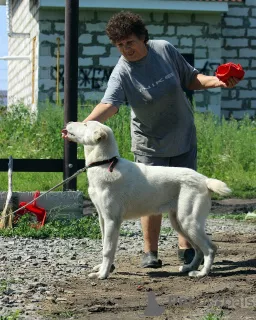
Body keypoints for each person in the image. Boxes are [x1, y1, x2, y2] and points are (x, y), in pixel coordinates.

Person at [82, 11, 241, 268]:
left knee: (182, 193)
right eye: (120, 45)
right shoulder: (122, 72)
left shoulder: (164, 50)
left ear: (143, 38)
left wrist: (219, 82)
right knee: (150, 194)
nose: (126, 49)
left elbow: (191, 79)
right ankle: (150, 252)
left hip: (182, 135)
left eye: (130, 42)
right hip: (149, 141)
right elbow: (109, 105)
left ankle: (186, 249)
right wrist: (84, 126)